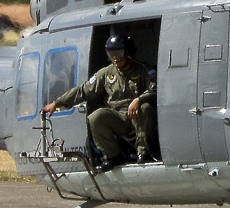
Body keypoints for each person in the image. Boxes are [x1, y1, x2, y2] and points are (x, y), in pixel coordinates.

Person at [42, 35, 157, 171]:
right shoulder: (107, 74)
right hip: (119, 118)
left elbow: (156, 88)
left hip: (139, 118)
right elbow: (83, 91)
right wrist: (57, 103)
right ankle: (113, 156)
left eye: (118, 53)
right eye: (111, 53)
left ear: (128, 53)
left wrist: (139, 100)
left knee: (145, 108)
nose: (115, 57)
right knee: (96, 117)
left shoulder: (143, 70)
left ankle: (143, 152)